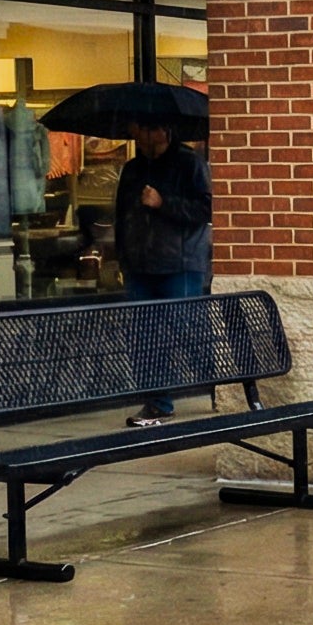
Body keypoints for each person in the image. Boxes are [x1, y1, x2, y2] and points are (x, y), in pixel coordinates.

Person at [113, 119, 212, 426]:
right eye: (134, 130)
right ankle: (157, 402)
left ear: (161, 130)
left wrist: (163, 202)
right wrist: (123, 259)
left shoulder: (189, 164)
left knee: (185, 330)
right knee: (144, 336)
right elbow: (121, 215)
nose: (137, 136)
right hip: (140, 265)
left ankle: (216, 382)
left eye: (142, 129)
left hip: (180, 263)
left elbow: (206, 209)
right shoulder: (132, 170)